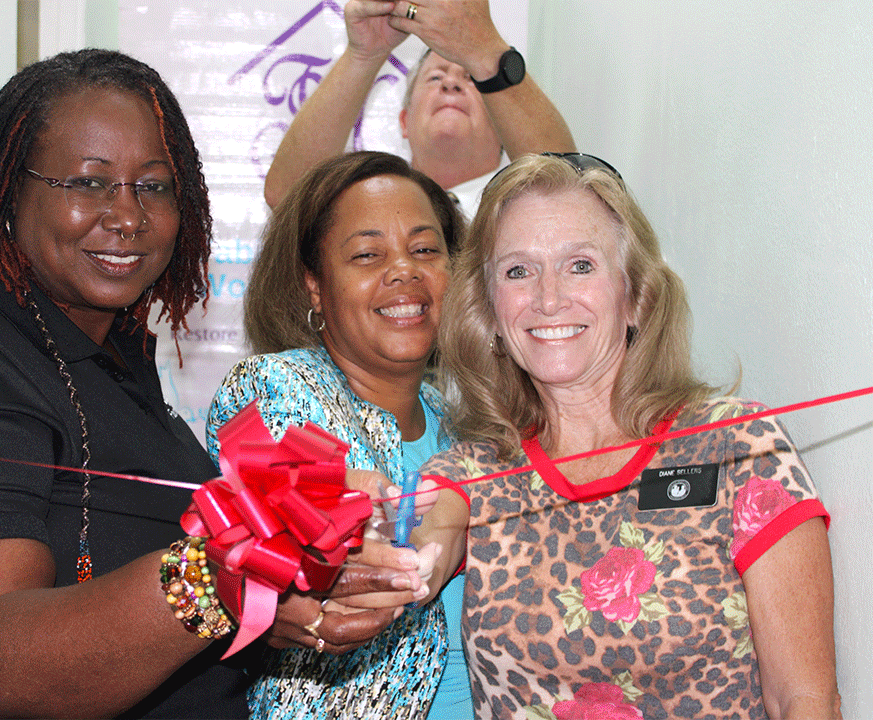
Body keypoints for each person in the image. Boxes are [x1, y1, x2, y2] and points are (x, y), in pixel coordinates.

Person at [0, 50, 418, 720]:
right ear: (10, 192)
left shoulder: (110, 360)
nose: (127, 215)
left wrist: (279, 604)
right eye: (87, 183)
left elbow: (145, 602)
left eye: (154, 186)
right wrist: (225, 567)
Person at [416, 152, 841, 719]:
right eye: (518, 271)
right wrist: (344, 529)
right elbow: (409, 562)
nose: (548, 298)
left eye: (581, 265)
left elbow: (805, 700)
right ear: (489, 314)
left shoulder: (740, 448)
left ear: (635, 295)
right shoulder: (469, 476)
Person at [206, 151, 471, 718]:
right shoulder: (277, 386)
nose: (405, 271)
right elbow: (291, 535)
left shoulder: (467, 423)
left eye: (426, 249)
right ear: (315, 286)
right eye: (368, 254)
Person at [263, 0, 575, 211]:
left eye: (470, 79)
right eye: (435, 77)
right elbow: (288, 198)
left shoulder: (526, 209)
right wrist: (364, 54)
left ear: (503, 123)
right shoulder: (370, 201)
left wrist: (484, 49)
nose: (450, 84)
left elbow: (570, 189)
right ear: (403, 121)